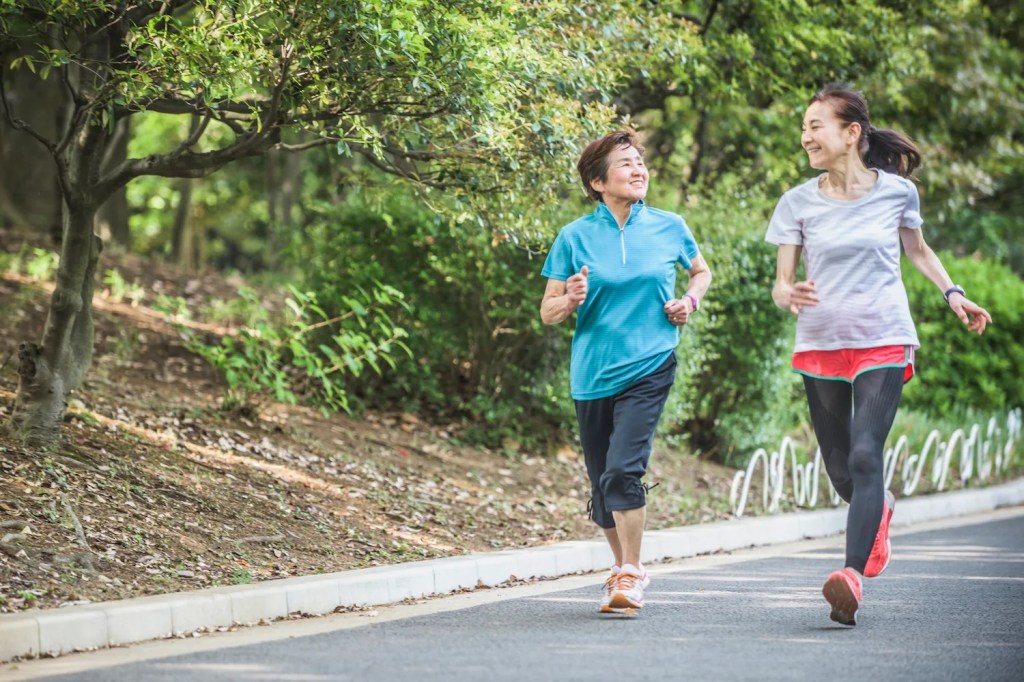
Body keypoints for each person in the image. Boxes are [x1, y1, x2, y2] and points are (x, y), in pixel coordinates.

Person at [766, 84, 992, 626]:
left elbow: (918, 249)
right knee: (842, 471)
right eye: (803, 128)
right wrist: (788, 294)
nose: (805, 137)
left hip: (884, 337)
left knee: (867, 455)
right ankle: (881, 507)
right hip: (821, 342)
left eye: (815, 125)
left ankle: (850, 577)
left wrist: (953, 293)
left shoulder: (897, 193)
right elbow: (781, 283)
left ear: (851, 133)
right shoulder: (797, 202)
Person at [539, 130, 712, 614]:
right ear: (598, 182)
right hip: (592, 374)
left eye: (640, 162)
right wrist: (569, 299)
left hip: (650, 363)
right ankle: (620, 568)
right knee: (602, 487)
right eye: (626, 164)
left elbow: (701, 272)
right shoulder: (574, 237)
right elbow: (548, 311)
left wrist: (689, 301)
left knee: (622, 470)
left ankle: (632, 572)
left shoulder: (669, 225)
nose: (639, 170)